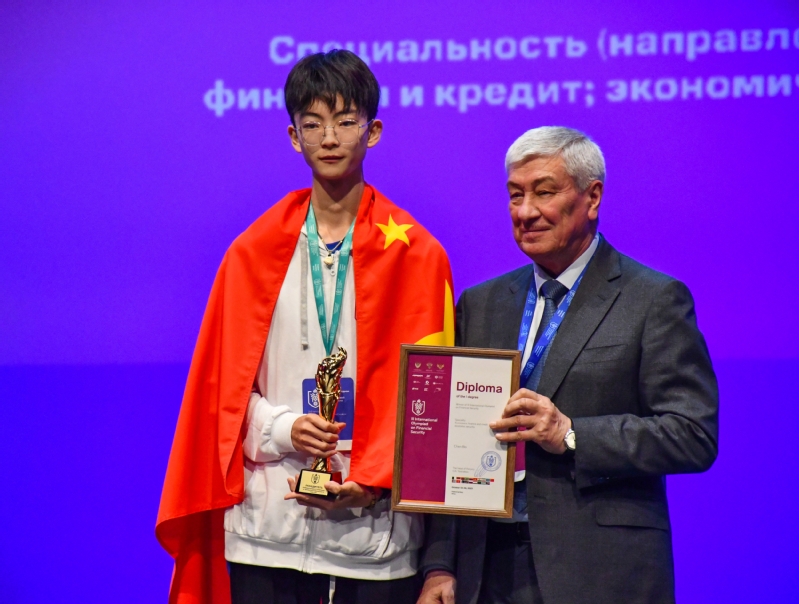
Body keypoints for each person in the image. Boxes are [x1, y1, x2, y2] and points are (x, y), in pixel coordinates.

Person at [156, 50, 455, 604]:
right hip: (264, 533)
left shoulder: (417, 255)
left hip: (376, 541)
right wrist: (283, 429)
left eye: (345, 121)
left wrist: (373, 484)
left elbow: (432, 408)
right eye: (313, 124)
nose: (330, 138)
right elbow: (219, 402)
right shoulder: (251, 253)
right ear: (294, 137)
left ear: (373, 131)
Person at [418, 126, 718, 604]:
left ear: (592, 197)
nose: (525, 211)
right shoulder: (481, 303)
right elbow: (449, 445)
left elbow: (693, 434)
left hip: (599, 573)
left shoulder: (653, 300)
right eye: (515, 195)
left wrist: (572, 434)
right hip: (485, 571)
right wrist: (439, 565)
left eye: (544, 192)